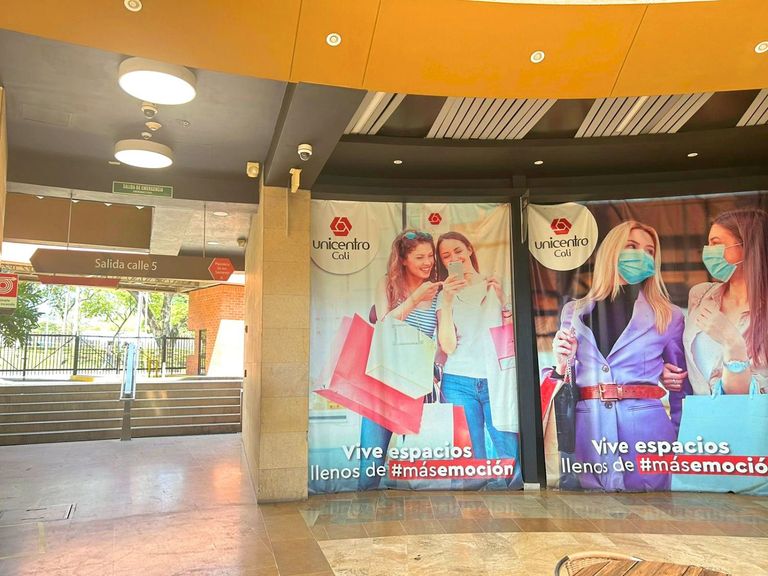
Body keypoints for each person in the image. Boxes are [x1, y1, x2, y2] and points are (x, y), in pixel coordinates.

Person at [546, 220, 687, 491]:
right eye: (631, 246)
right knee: (589, 513)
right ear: (612, 251)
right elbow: (565, 380)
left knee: (654, 512)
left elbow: (681, 387)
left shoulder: (669, 315)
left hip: (648, 432)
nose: (641, 255)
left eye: (649, 251)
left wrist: (681, 441)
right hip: (588, 429)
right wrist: (562, 362)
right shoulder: (573, 312)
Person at [435, 231, 521, 487]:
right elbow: (448, 346)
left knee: (510, 459)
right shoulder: (444, 295)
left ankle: (513, 506)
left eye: (458, 251)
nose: (454, 258)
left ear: (470, 249)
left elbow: (514, 337)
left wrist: (505, 301)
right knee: (470, 465)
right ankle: (473, 509)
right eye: (446, 256)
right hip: (458, 381)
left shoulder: (496, 284)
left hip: (497, 380)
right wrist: (447, 301)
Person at [358, 229, 441, 490]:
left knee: (417, 465)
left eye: (430, 256)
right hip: (383, 382)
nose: (428, 262)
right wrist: (415, 299)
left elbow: (442, 341)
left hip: (417, 384)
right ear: (403, 260)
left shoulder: (437, 292)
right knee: (371, 462)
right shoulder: (387, 284)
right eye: (420, 257)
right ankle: (365, 505)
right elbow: (384, 325)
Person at [662, 208, 768, 396]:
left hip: (751, 414)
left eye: (716, 243)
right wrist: (665, 372)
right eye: (708, 244)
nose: (708, 252)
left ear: (748, 246)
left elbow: (743, 396)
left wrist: (732, 342)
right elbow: (688, 361)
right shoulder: (701, 295)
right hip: (700, 413)